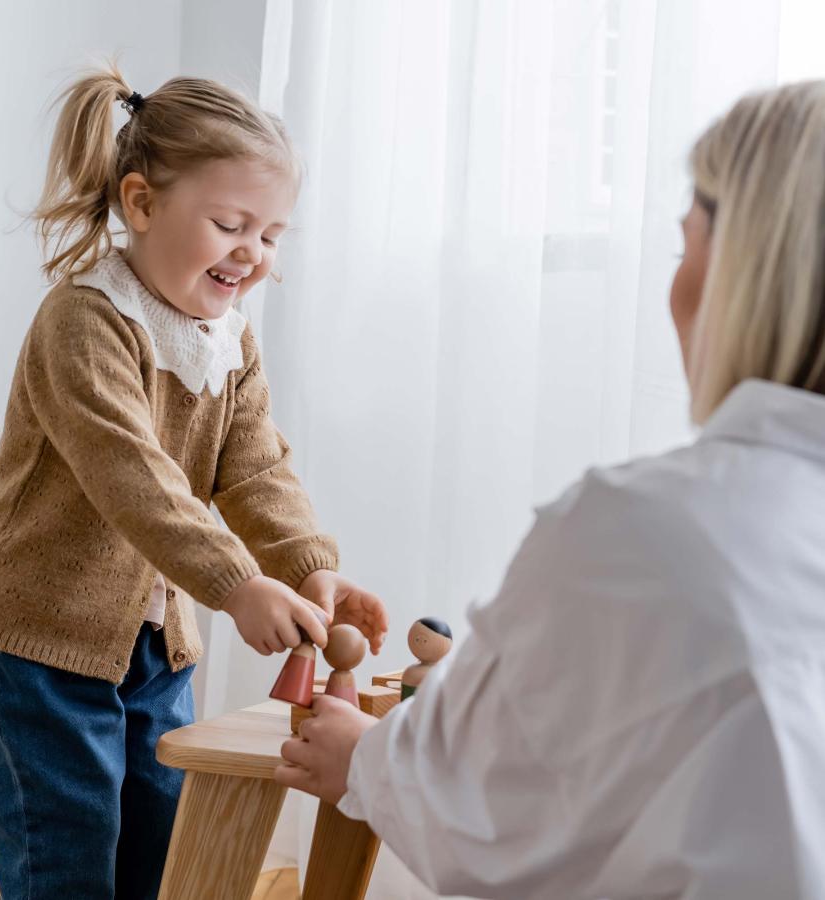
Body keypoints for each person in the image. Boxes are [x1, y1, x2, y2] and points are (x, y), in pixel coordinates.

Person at [276, 80, 825, 899]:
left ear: (742, 273)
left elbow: (481, 801)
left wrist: (366, 758)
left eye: (685, 248)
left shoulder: (635, 530)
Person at [0, 62, 388, 899]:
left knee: (160, 831)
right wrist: (237, 584)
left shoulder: (229, 337)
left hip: (151, 643)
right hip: (37, 638)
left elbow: (256, 463)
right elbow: (135, 481)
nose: (253, 255)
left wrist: (305, 566)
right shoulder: (83, 321)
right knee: (67, 849)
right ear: (142, 204)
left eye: (271, 235)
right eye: (231, 225)